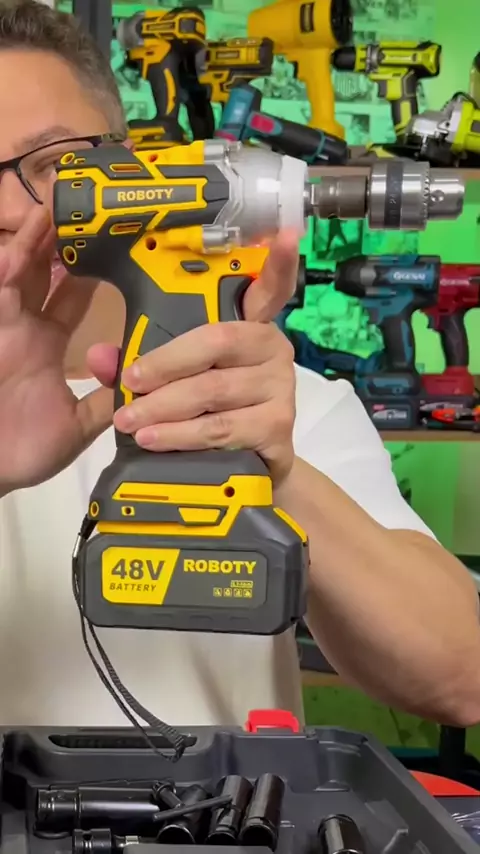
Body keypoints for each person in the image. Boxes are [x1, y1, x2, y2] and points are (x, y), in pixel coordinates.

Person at [1, 0, 479, 730]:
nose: (12, 209)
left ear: (133, 163)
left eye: (55, 166)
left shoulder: (288, 406)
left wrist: (269, 463)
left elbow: (460, 680)